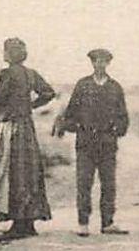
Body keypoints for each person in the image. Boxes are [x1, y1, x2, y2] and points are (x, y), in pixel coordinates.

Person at [0, 37, 57, 240]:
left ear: (8, 54)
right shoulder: (31, 74)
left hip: (10, 126)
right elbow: (49, 93)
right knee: (27, 173)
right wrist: (30, 106)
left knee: (11, 172)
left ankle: (18, 223)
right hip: (26, 126)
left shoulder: (7, 74)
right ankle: (28, 222)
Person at [54, 48, 131, 236]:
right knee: (84, 182)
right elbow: (71, 112)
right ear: (92, 63)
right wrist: (74, 126)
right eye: (96, 61)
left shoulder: (115, 87)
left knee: (108, 183)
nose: (100, 64)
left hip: (107, 143)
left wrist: (116, 131)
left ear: (108, 63)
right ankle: (83, 223)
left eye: (103, 61)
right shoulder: (83, 85)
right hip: (85, 143)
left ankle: (107, 222)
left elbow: (123, 116)